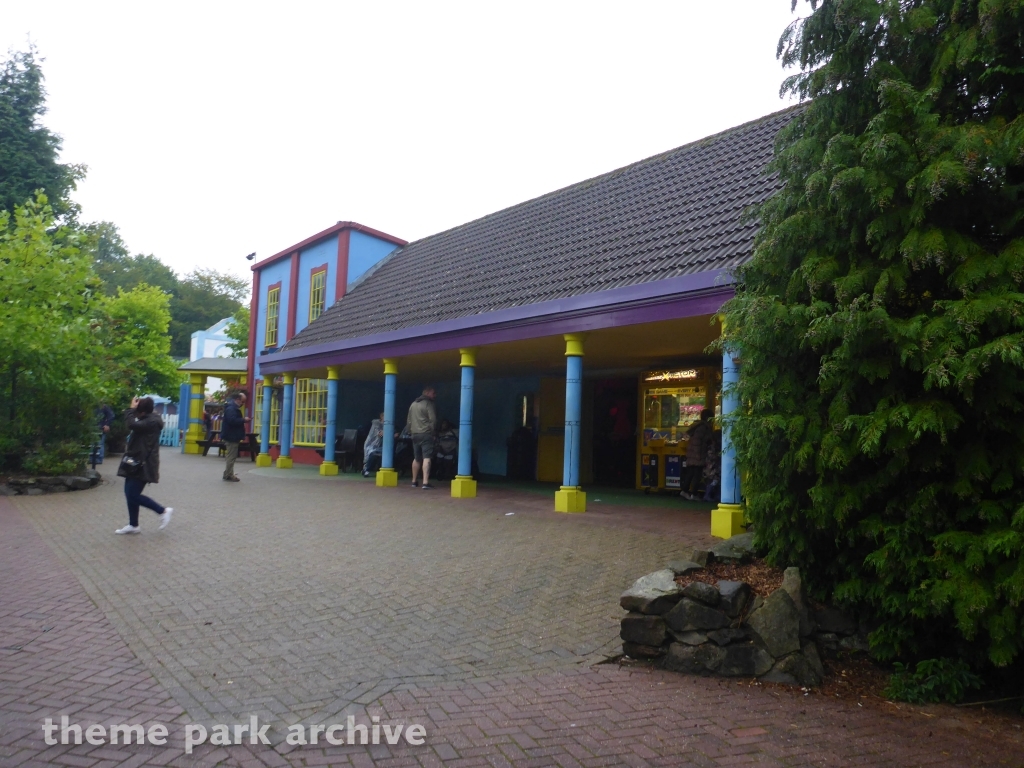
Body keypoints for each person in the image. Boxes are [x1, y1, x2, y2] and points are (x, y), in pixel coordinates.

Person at [115, 397, 172, 534]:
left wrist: (130, 410)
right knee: (130, 493)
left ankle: (163, 511)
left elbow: (131, 425)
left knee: (133, 494)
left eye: (137, 412)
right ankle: (133, 525)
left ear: (143, 412)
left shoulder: (151, 422)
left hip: (144, 464)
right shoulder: (148, 419)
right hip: (135, 461)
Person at [405, 386, 437, 489]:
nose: (435, 395)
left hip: (415, 434)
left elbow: (409, 421)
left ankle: (414, 481)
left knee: (417, 458)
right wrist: (432, 433)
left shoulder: (413, 404)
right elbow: (433, 420)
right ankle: (425, 482)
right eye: (433, 393)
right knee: (427, 458)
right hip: (426, 434)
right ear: (427, 393)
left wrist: (411, 432)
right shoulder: (428, 404)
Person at [680, 409, 714, 500]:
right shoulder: (704, 427)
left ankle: (685, 491)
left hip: (693, 453)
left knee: (691, 472)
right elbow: (698, 441)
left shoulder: (698, 426)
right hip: (698, 454)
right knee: (697, 474)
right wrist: (698, 454)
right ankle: (693, 493)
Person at [221, 391, 251, 482]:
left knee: (231, 456)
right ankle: (229, 475)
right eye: (242, 402)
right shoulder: (231, 409)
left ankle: (227, 473)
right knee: (231, 456)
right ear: (237, 399)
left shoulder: (231, 408)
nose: (243, 404)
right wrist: (243, 420)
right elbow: (232, 420)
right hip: (231, 436)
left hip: (231, 435)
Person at [363, 412, 385, 477]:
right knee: (371, 454)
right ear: (381, 417)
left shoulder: (388, 425)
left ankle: (367, 469)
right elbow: (379, 433)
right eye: (384, 417)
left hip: (380, 446)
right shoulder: (376, 423)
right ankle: (366, 469)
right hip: (371, 444)